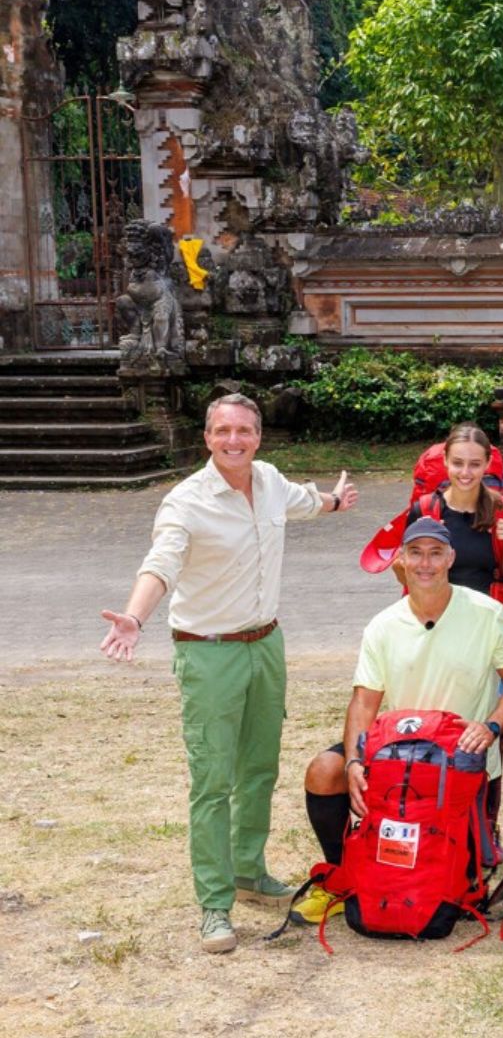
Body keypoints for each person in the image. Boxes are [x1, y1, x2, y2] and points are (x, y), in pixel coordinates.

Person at [99, 393, 358, 954]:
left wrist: (336, 500)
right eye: (222, 431)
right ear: (207, 438)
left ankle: (248, 870)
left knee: (260, 768)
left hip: (266, 644)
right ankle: (215, 904)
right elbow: (162, 562)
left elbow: (303, 502)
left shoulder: (266, 480)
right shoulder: (185, 501)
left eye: (243, 430)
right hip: (207, 652)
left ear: (258, 436)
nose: (233, 440)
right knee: (213, 783)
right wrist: (134, 616)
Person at [296, 517, 503, 926]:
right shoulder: (383, 625)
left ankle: (464, 850)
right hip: (398, 758)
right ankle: (340, 876)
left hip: (459, 763)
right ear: (401, 560)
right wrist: (354, 761)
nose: (426, 563)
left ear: (451, 557)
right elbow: (363, 703)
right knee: (324, 770)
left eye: (436, 553)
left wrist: (491, 727)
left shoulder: (488, 613)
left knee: (454, 888)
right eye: (416, 553)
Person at [398, 422, 503, 608]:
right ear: (445, 459)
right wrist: (419, 547)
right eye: (457, 463)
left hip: (487, 622)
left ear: (487, 463)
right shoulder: (424, 510)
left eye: (475, 464)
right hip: (436, 619)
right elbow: (403, 577)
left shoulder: (501, 510)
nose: (465, 472)